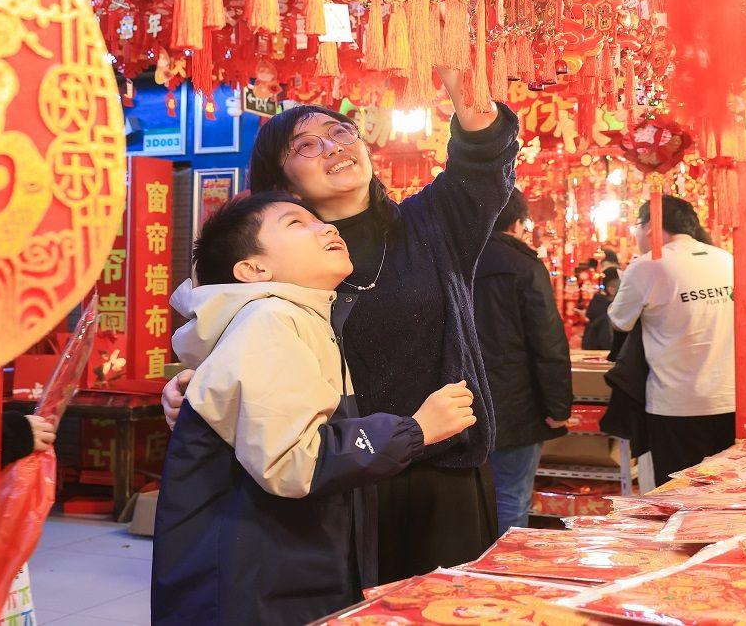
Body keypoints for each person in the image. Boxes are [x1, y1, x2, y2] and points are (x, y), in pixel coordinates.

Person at [161, 70, 518, 582]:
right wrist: (188, 387)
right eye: (306, 145)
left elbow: (484, 161)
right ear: (281, 183)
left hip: (440, 473)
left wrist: (468, 87)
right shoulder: (269, 256)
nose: (332, 147)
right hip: (331, 476)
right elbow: (227, 338)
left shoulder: (433, 224)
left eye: (340, 132)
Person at [152, 193, 477, 626]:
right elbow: (294, 463)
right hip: (249, 583)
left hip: (271, 568)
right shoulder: (270, 320)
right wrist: (415, 429)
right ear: (254, 269)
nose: (326, 228)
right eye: (295, 223)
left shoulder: (298, 317)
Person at [608, 197, 736, 485]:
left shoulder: (648, 265)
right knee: (727, 493)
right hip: (730, 397)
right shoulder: (726, 259)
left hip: (676, 404)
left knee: (680, 497)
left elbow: (619, 320)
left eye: (637, 227)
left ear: (651, 225)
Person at [472, 190, 573, 534]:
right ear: (517, 223)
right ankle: (501, 574)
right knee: (511, 496)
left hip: (457, 406)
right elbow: (548, 343)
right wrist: (558, 406)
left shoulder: (450, 260)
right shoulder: (523, 265)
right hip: (516, 406)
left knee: (469, 500)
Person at [581, 267, 621, 352]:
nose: (613, 288)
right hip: (596, 344)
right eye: (612, 285)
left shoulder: (621, 301)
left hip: (611, 344)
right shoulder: (598, 300)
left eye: (617, 284)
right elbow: (590, 318)